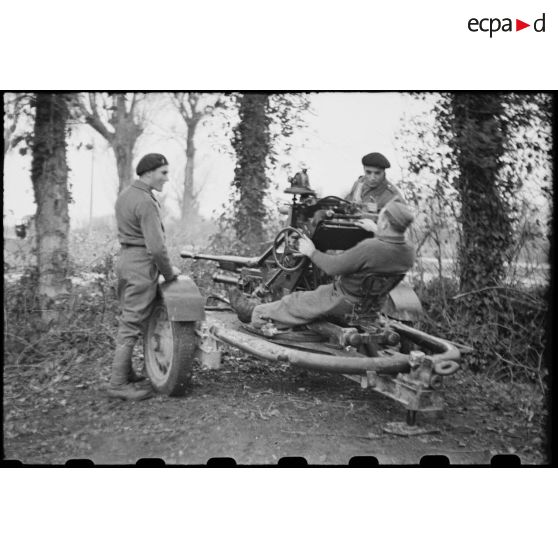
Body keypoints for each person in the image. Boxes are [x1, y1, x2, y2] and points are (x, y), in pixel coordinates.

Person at [229, 200, 415, 329]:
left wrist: (310, 251)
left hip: (342, 299)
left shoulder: (370, 248)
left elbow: (332, 267)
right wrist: (375, 231)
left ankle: (255, 312)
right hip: (372, 305)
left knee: (293, 302)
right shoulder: (408, 252)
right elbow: (388, 249)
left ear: (385, 221)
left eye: (380, 217)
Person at [107, 153, 180, 401]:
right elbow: (157, 248)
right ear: (149, 172)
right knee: (131, 323)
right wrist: (169, 274)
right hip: (140, 266)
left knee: (128, 317)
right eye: (164, 173)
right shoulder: (146, 201)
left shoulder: (125, 196)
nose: (166, 179)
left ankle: (126, 375)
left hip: (126, 262)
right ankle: (117, 384)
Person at [345, 152, 406, 233]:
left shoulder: (392, 196)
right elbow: (347, 205)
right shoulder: (359, 183)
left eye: (377, 173)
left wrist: (376, 229)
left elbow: (398, 233)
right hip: (350, 232)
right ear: (364, 169)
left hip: (375, 240)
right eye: (368, 172)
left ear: (384, 172)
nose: (372, 178)